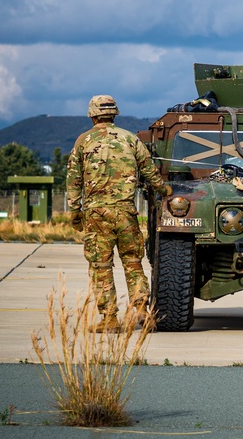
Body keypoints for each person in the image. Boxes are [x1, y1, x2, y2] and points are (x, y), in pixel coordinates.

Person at [66, 94, 170, 330]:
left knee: (101, 267)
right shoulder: (130, 139)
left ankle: (110, 319)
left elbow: (73, 180)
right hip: (126, 213)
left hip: (96, 216)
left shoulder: (83, 141)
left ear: (92, 115)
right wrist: (164, 189)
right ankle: (143, 313)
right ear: (114, 114)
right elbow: (150, 171)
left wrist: (75, 212)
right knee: (133, 263)